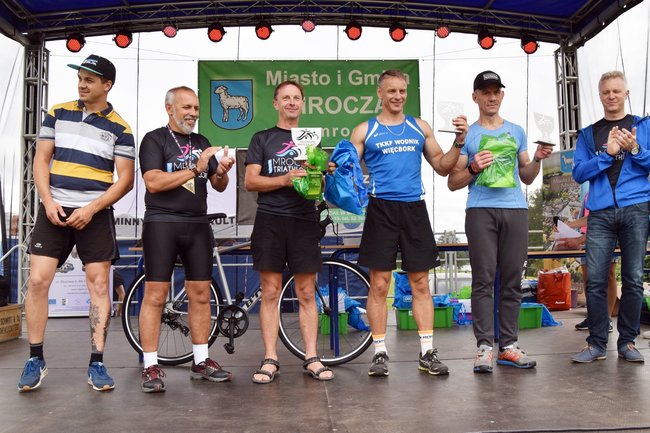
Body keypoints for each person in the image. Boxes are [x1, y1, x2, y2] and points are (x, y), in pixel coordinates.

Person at [331, 69, 464, 377]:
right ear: (380, 93)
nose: (397, 96)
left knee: (421, 283)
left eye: (402, 91)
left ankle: (427, 352)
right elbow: (344, 170)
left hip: (414, 208)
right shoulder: (365, 130)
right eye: (391, 91)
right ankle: (379, 352)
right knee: (379, 284)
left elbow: (443, 167)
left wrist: (458, 143)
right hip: (381, 210)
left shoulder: (420, 127)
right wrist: (332, 167)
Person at [18, 54, 135, 391]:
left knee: (99, 286)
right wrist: (47, 201)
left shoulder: (121, 128)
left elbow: (125, 180)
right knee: (37, 281)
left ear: (107, 85)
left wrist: (91, 208)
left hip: (94, 214)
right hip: (54, 208)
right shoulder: (57, 112)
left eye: (90, 79)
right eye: (80, 78)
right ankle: (35, 359)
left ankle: (97, 363)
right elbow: (41, 159)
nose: (82, 84)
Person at [448, 70, 552, 373]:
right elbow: (453, 182)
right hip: (480, 211)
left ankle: (508, 346)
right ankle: (484, 348)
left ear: (502, 96)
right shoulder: (468, 135)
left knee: (512, 280)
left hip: (515, 210)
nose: (492, 97)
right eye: (486, 92)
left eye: (496, 92)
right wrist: (473, 168)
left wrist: (538, 158)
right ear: (475, 97)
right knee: (482, 280)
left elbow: (527, 177)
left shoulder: (517, 131)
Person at [137, 86, 235, 392]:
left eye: (196, 108)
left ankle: (201, 360)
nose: (193, 113)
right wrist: (195, 168)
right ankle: (150, 366)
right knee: (156, 295)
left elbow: (218, 184)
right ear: (170, 109)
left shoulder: (202, 142)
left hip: (197, 224)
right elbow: (153, 182)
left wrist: (223, 171)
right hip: (162, 223)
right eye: (186, 107)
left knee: (201, 294)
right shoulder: (154, 139)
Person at [245, 80, 333, 383]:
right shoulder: (262, 138)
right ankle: (270, 358)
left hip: (304, 220)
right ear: (276, 103)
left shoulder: (312, 141)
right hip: (270, 220)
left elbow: (319, 187)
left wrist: (317, 173)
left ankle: (312, 357)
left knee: (307, 292)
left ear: (303, 103)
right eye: (286, 98)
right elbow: (251, 182)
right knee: (270, 292)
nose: (292, 102)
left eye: (296, 98)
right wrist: (284, 179)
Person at [570, 71, 650, 363]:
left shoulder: (643, 125)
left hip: (636, 208)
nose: (612, 96)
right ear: (600, 96)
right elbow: (578, 173)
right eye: (606, 92)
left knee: (633, 278)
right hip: (601, 213)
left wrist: (634, 149)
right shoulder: (588, 134)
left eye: (617, 91)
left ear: (626, 94)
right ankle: (597, 344)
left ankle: (627, 343)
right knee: (594, 280)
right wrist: (607, 155)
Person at [556, 192, 617, 333]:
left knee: (609, 275)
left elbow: (603, 218)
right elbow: (589, 217)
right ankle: (593, 316)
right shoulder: (589, 194)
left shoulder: (610, 189)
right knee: (588, 278)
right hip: (585, 237)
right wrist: (568, 227)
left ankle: (607, 318)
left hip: (607, 236)